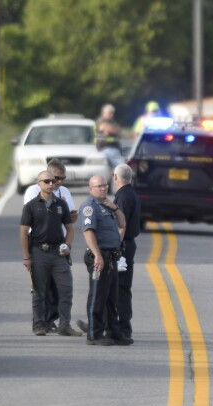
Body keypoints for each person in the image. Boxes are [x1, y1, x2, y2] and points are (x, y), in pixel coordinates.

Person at [20, 171, 82, 337]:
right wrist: (26, 256)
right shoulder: (31, 206)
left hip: (58, 252)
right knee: (39, 291)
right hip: (39, 251)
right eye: (46, 181)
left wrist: (67, 245)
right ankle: (39, 324)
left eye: (52, 181)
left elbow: (69, 229)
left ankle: (64, 325)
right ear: (38, 183)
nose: (50, 184)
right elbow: (23, 232)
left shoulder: (61, 204)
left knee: (66, 288)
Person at [78, 175, 128, 346]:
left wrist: (115, 208)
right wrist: (98, 255)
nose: (103, 188)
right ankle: (94, 334)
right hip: (100, 257)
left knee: (111, 298)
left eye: (105, 185)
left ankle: (113, 332)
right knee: (98, 296)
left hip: (112, 257)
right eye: (99, 186)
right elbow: (88, 232)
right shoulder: (89, 207)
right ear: (91, 188)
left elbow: (123, 224)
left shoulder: (107, 206)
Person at [112, 163, 141, 341]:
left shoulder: (122, 197)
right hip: (128, 244)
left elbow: (120, 226)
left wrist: (114, 246)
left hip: (122, 245)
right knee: (121, 287)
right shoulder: (132, 193)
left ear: (116, 178)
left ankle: (123, 328)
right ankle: (110, 323)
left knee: (120, 287)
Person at [95, 103, 124, 170]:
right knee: (122, 167)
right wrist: (112, 130)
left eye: (112, 113)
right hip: (106, 147)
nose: (112, 115)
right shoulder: (100, 121)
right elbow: (113, 130)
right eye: (110, 113)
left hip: (115, 148)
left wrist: (111, 131)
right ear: (103, 113)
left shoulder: (112, 122)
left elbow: (119, 132)